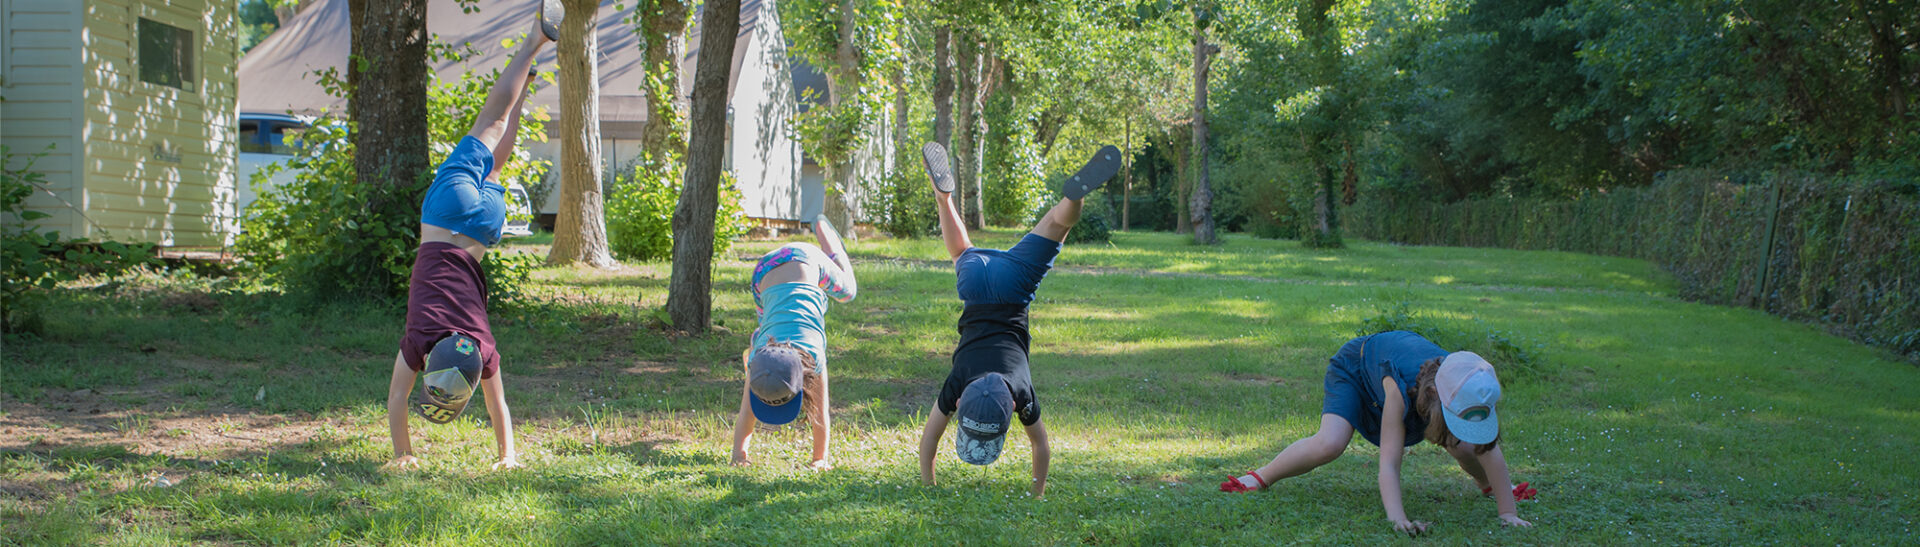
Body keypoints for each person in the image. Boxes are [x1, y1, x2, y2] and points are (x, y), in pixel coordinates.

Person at [383, 16, 555, 471]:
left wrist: (508, 456)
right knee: (491, 122)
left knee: (497, 163)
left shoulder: (483, 348)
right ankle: (533, 45)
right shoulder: (419, 342)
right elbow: (398, 398)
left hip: (482, 228)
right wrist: (403, 453)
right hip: (444, 218)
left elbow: (500, 408)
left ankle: (530, 69)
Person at [915, 142, 1122, 498]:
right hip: (975, 284)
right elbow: (929, 439)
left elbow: (1041, 446)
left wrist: (1037, 492)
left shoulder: (1021, 391)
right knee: (960, 252)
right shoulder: (958, 382)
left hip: (1014, 286)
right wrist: (927, 483)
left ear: (1011, 407)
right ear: (961, 402)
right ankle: (943, 198)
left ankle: (1073, 199)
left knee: (1058, 224)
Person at [1218, 330, 1535, 535]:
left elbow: (1487, 448)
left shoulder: (1469, 383)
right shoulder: (1398, 389)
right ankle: (1260, 477)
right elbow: (1388, 464)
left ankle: (1489, 487)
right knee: (1330, 443)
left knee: (1464, 446)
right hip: (1356, 368)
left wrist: (1507, 513)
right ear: (1437, 403)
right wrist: (1399, 520)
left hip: (1415, 383)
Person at [730, 215, 858, 470]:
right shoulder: (759, 361)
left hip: (804, 261)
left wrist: (820, 459)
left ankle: (831, 244)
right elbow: (748, 413)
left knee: (848, 292)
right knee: (766, 327)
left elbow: (820, 413)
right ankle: (759, 337)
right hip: (764, 274)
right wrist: (738, 456)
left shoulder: (814, 358)